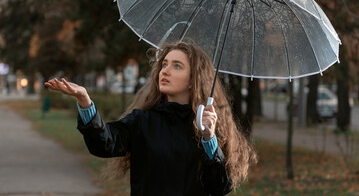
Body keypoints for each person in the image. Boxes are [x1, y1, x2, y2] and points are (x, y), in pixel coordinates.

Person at [45, 42, 257, 196]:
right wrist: (85, 102)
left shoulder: (206, 128)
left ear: (194, 80)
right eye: (164, 64)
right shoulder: (143, 121)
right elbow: (104, 143)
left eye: (177, 66)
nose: (165, 71)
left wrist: (209, 139)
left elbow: (219, 186)